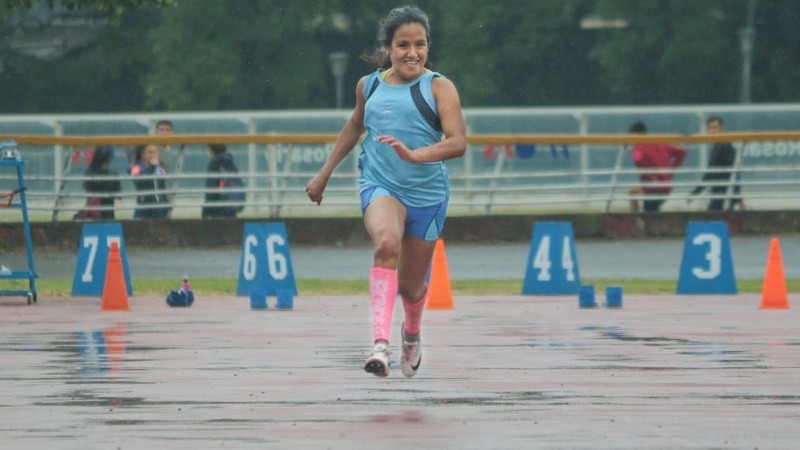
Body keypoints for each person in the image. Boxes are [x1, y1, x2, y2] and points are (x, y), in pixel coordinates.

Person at [305, 5, 466, 378]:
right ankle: (380, 344)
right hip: (381, 185)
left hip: (427, 196)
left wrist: (416, 154)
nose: (412, 53)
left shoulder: (439, 87)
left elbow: (458, 142)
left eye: (420, 45)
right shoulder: (370, 85)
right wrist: (324, 174)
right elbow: (354, 125)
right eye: (403, 45)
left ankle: (411, 334)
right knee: (386, 245)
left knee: (411, 288)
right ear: (389, 48)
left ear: (428, 47)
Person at [688, 116, 745, 211]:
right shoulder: (717, 147)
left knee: (712, 218)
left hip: (724, 193)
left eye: (716, 127)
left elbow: (733, 173)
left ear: (722, 129)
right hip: (720, 192)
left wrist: (738, 198)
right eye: (710, 128)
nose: (713, 130)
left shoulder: (725, 146)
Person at [628, 121, 687, 213]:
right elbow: (682, 152)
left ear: (634, 134)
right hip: (666, 187)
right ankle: (647, 223)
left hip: (652, 187)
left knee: (633, 193)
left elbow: (638, 160)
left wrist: (652, 178)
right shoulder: (659, 142)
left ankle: (636, 222)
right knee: (653, 210)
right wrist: (670, 172)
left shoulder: (638, 146)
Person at [73, 146, 122, 221]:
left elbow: (86, 188)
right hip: (108, 214)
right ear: (108, 159)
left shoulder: (88, 173)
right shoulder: (113, 175)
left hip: (91, 214)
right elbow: (119, 196)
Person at [130, 144, 170, 219]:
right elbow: (139, 184)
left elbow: (162, 189)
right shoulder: (136, 168)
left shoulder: (161, 169)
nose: (152, 155)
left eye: (154, 152)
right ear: (143, 154)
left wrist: (166, 206)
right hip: (143, 208)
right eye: (149, 152)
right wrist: (152, 168)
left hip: (159, 209)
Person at [202, 143, 241, 219]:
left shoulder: (214, 164)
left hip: (216, 211)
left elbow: (211, 190)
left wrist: (205, 211)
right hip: (231, 210)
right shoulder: (230, 162)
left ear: (212, 150)